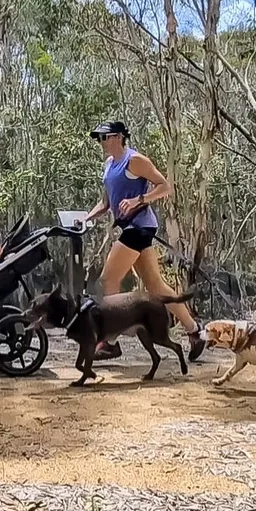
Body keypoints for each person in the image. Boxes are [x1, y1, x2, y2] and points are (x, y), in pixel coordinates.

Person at [82, 120, 205, 362]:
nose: (101, 143)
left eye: (105, 138)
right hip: (128, 227)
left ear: (118, 137)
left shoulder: (135, 160)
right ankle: (195, 330)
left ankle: (110, 341)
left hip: (141, 226)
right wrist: (86, 218)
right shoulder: (108, 165)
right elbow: (107, 203)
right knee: (156, 286)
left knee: (109, 279)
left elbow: (165, 187)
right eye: (99, 138)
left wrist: (140, 199)